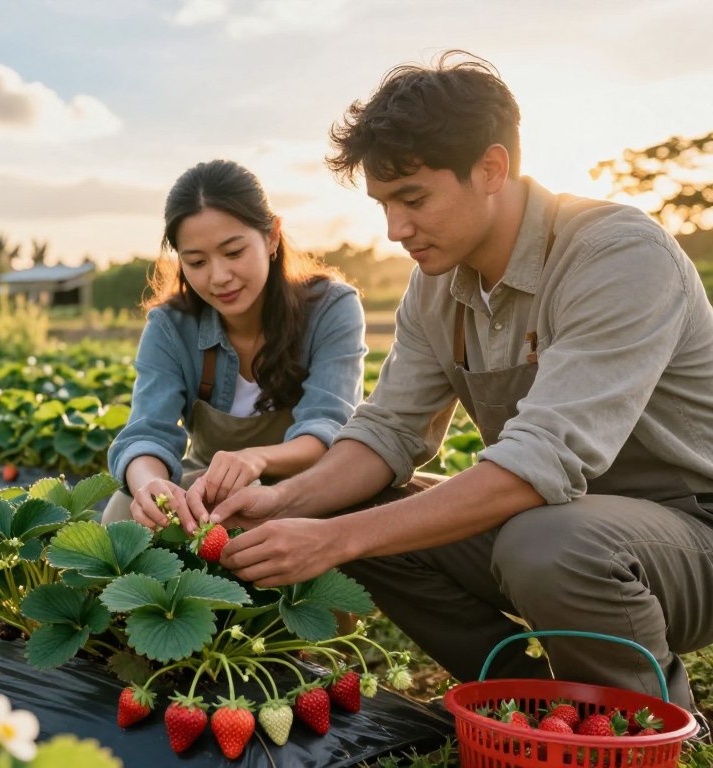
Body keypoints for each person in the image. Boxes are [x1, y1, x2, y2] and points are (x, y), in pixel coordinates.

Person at [199, 51, 713, 709]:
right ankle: (528, 702)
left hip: (688, 535)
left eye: (414, 199)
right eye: (384, 204)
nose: (395, 229)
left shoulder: (615, 255)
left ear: (492, 169)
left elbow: (540, 461)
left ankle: (642, 723)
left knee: (545, 541)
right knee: (357, 503)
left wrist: (332, 539)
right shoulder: (437, 285)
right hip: (566, 522)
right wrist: (289, 502)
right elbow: (387, 432)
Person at [103, 159, 366, 531]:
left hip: (309, 487)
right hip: (210, 489)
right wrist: (150, 485)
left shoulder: (330, 308)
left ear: (272, 236)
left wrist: (256, 459)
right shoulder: (169, 326)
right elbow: (148, 432)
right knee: (123, 510)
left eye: (233, 252)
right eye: (196, 261)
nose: (219, 277)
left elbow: (328, 424)